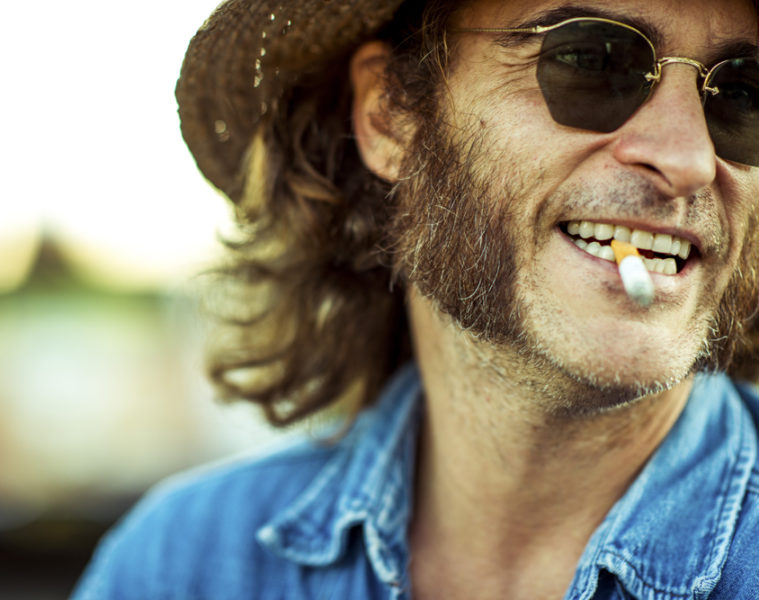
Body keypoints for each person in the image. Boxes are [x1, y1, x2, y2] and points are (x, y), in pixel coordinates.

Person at [73, 0, 759, 598]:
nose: (688, 159)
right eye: (590, 61)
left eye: (744, 94)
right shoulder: (182, 565)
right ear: (390, 115)